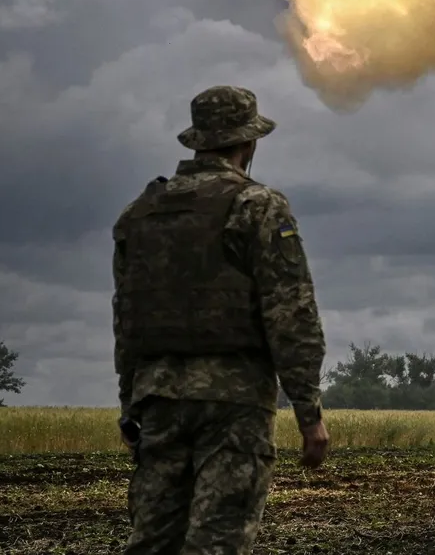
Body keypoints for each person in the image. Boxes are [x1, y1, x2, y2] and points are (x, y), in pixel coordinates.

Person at [112, 85, 330, 554]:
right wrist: (309, 414)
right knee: (219, 540)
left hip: (158, 397)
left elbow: (126, 318)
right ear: (247, 143)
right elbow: (291, 313)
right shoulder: (258, 206)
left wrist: (130, 405)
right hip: (233, 403)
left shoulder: (139, 215)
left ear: (196, 140)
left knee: (152, 541)